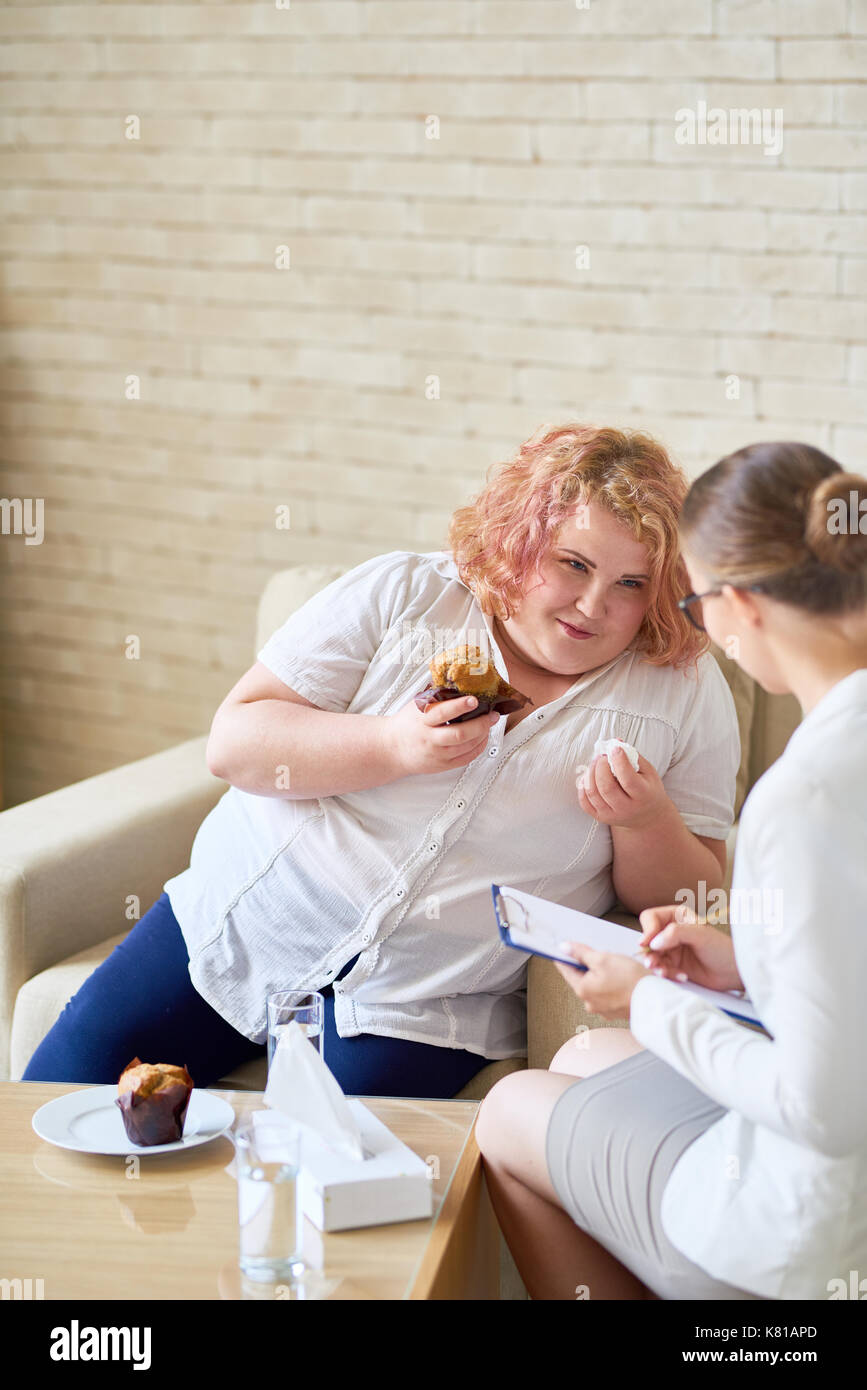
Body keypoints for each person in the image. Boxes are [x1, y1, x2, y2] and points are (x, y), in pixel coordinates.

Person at [22, 424, 739, 1097]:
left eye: (630, 584)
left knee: (334, 1189)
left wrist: (645, 822)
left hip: (428, 997)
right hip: (248, 922)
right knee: (51, 1104)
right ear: (521, 543)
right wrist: (391, 746)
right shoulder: (403, 595)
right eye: (572, 564)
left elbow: (687, 902)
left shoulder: (681, 687)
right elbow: (235, 743)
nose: (591, 604)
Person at [474, 440, 867, 1302]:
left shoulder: (802, 797)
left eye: (682, 598)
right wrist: (739, 966)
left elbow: (825, 1111)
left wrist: (646, 1000)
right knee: (582, 1058)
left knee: (505, 1114)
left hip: (807, 1233)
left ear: (734, 607)